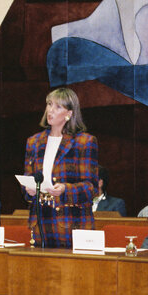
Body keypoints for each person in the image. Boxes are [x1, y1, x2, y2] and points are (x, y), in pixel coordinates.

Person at [23, 87, 99, 248]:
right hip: (40, 224)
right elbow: (28, 180)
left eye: (58, 107)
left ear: (69, 114)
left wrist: (66, 189)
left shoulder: (84, 142)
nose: (50, 110)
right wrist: (29, 189)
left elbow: (91, 188)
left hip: (71, 223)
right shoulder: (34, 142)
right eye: (49, 104)